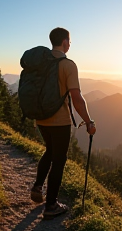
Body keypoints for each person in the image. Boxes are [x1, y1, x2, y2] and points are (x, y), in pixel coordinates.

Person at [30, 27, 96, 218]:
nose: (70, 45)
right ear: (65, 42)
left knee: (49, 151)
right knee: (59, 160)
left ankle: (37, 187)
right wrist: (89, 122)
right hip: (59, 121)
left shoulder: (42, 62)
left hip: (41, 117)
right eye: (70, 42)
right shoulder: (68, 65)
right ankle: (51, 206)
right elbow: (77, 98)